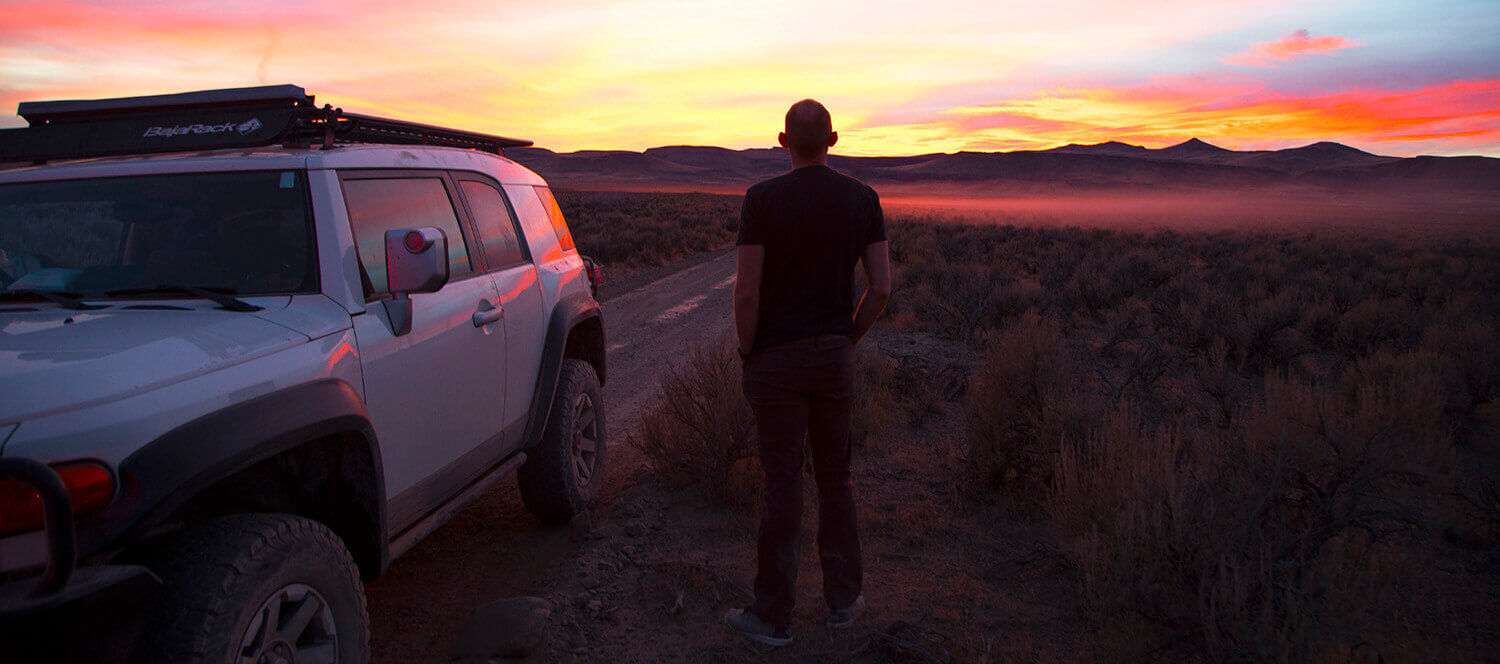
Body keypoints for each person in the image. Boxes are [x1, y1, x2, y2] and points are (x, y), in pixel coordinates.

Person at [725, 99, 891, 646]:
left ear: (781, 140)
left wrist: (748, 349)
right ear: (834, 139)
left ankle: (773, 617)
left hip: (775, 362)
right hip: (832, 358)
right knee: (835, 478)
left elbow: (746, 289)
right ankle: (843, 602)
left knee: (782, 485)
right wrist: (847, 337)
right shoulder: (863, 199)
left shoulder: (761, 200)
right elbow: (881, 287)